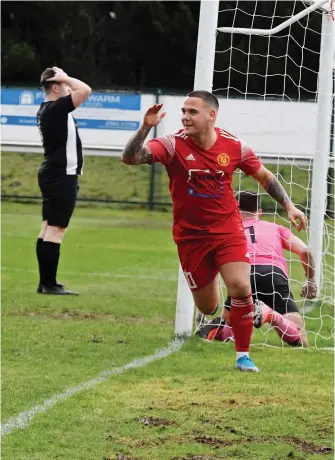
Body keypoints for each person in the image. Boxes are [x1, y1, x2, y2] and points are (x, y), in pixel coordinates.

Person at [121, 91, 307, 372]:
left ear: (211, 115)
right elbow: (130, 158)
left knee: (242, 287)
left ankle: (243, 356)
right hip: (191, 237)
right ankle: (219, 311)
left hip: (228, 231)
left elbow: (266, 178)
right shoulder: (171, 144)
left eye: (192, 112)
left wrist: (290, 207)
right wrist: (147, 127)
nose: (185, 116)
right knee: (208, 307)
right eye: (183, 111)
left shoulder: (234, 146)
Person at [216, 191, 316, 347]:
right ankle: (271, 316)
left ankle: (216, 328)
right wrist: (310, 281)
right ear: (260, 213)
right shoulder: (276, 228)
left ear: (234, 212)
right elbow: (305, 251)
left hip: (242, 275)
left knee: (227, 331)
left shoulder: (230, 231)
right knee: (301, 340)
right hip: (273, 276)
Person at [36, 66, 91, 295]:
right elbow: (85, 90)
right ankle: (49, 284)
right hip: (61, 175)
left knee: (48, 228)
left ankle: (46, 282)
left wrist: (63, 77)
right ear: (56, 87)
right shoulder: (55, 109)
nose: (70, 89)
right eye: (66, 86)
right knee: (56, 230)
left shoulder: (50, 109)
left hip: (54, 173)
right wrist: (66, 77)